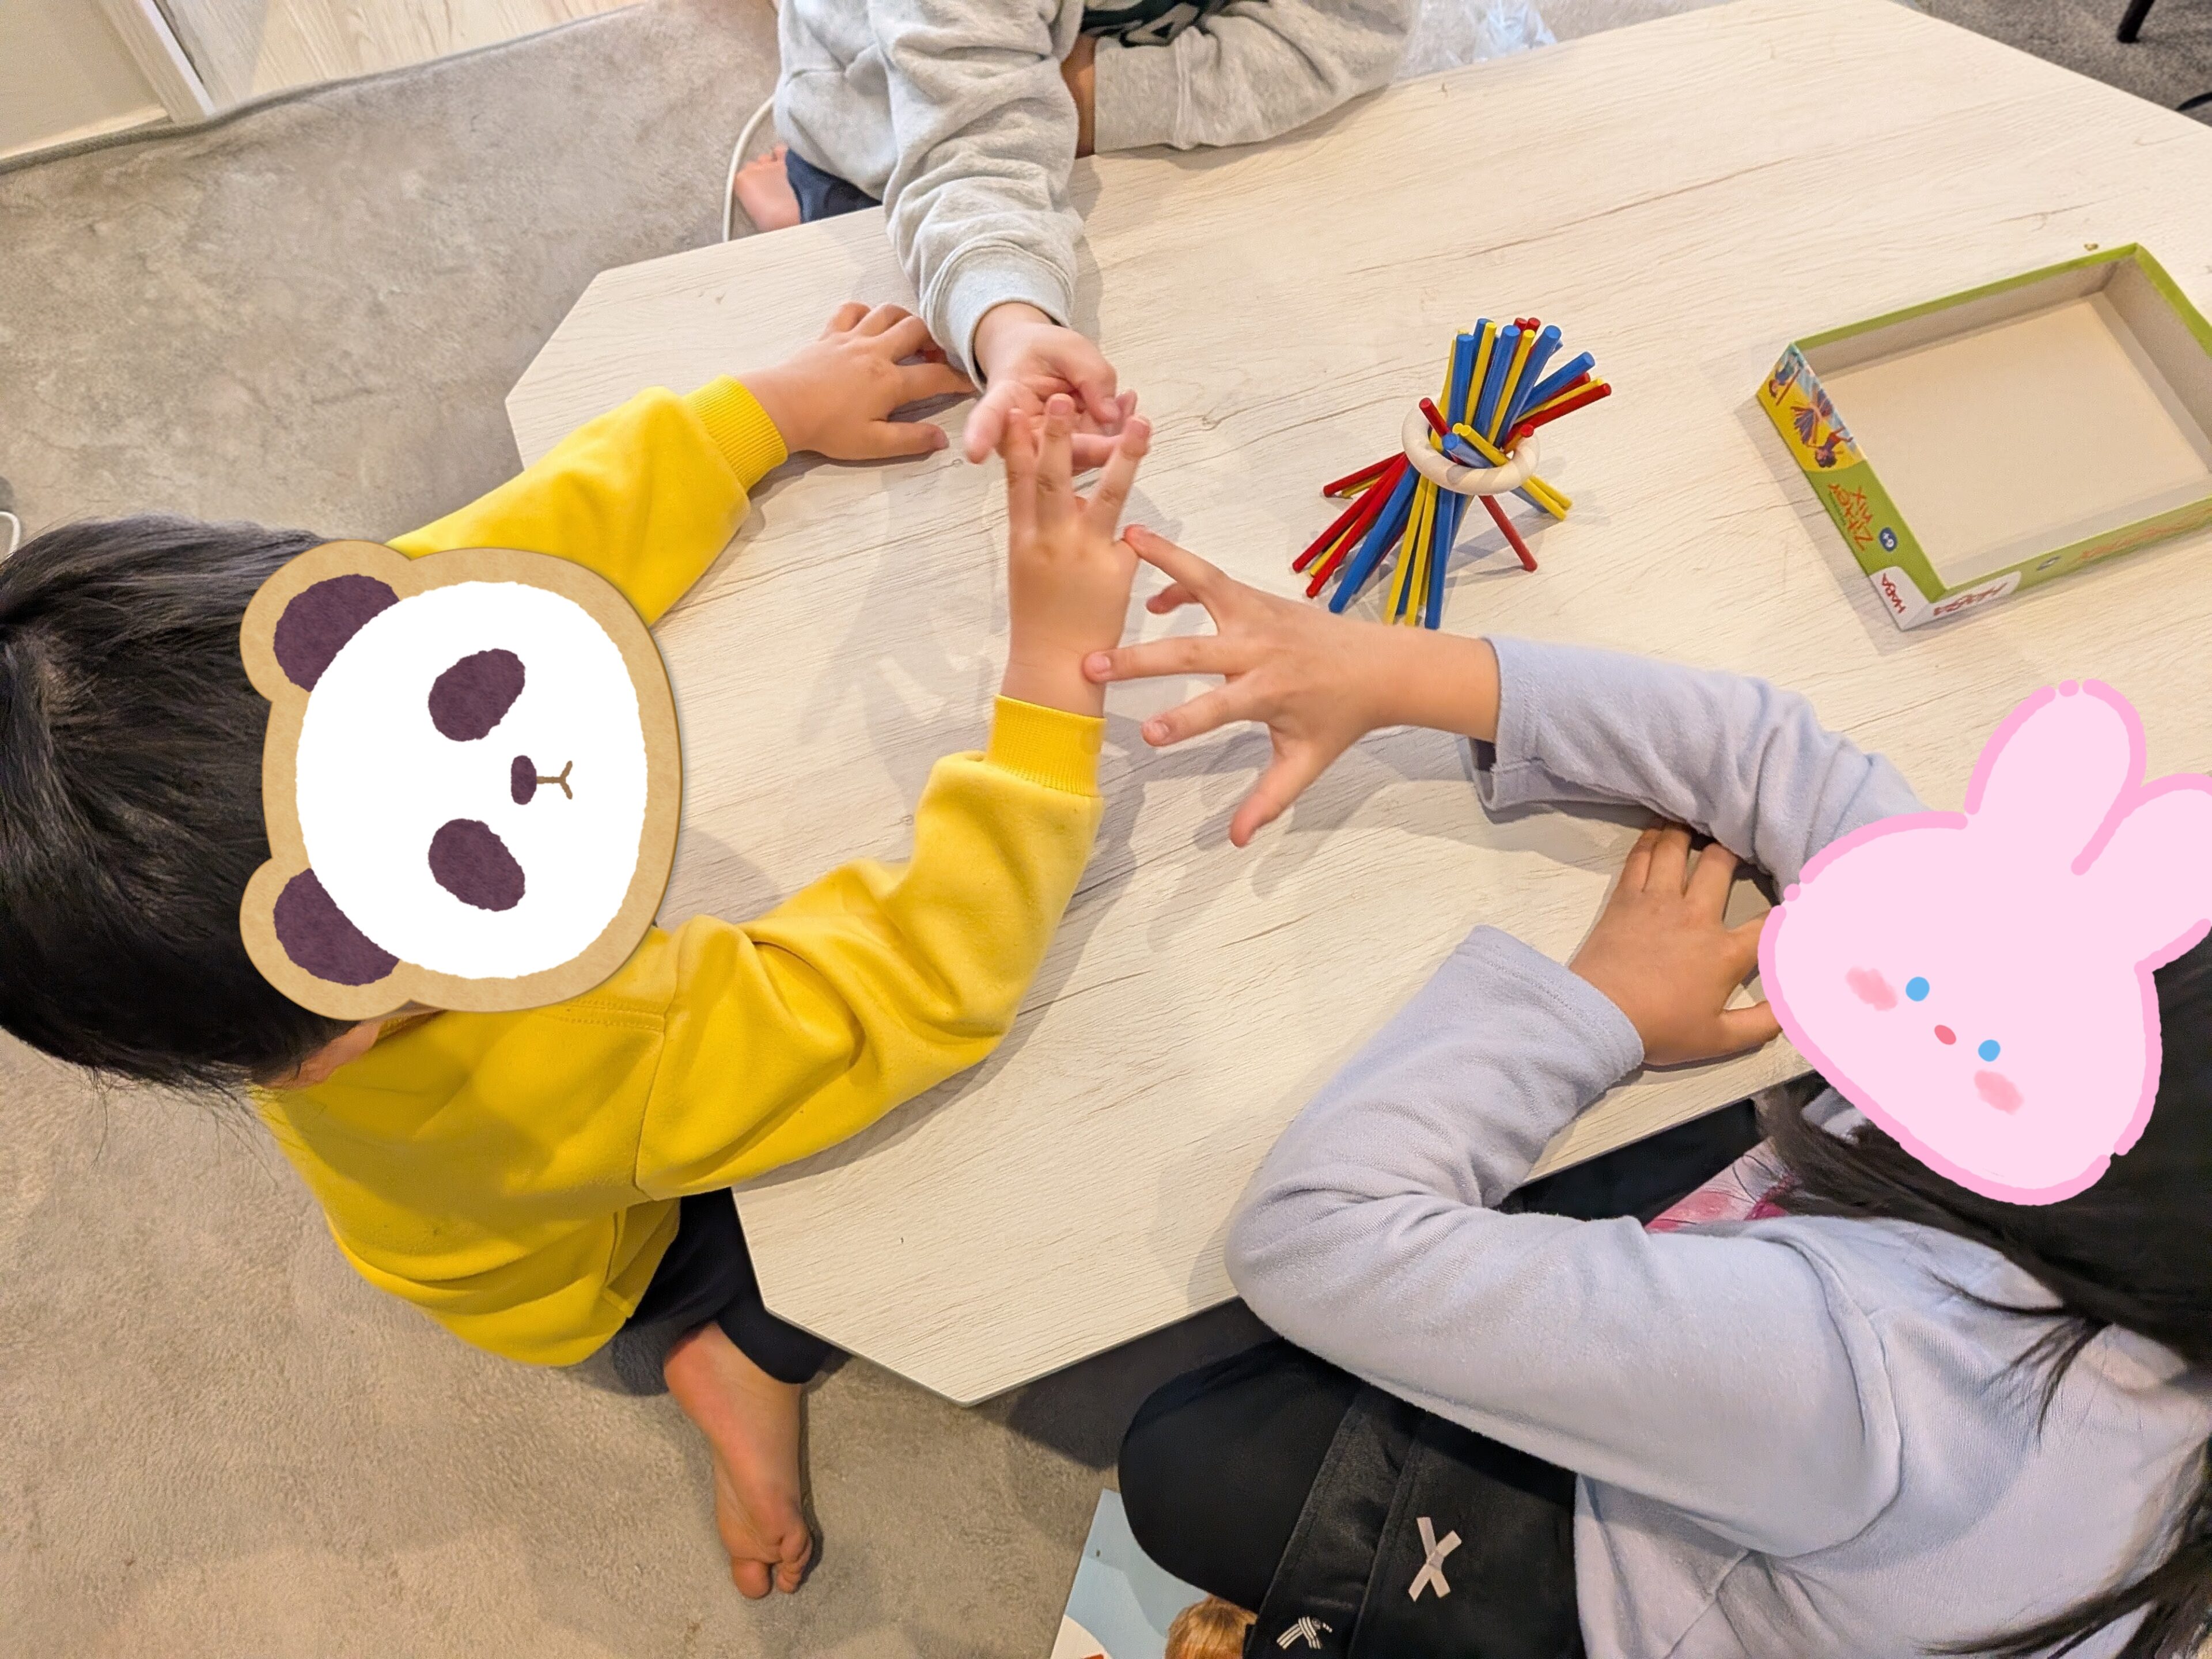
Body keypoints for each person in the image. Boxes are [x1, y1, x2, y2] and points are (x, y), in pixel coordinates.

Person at [0, 304, 1154, 1600]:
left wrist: (764, 411)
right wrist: (1049, 690)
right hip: (609, 1268)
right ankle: (730, 1354)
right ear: (330, 1043)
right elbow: (901, 993)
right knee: (913, 1171)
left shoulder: (311, 692)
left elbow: (519, 547)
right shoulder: (560, 1053)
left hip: (468, 1219)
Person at [1093, 531, 2212, 1657]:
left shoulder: (1879, 1384)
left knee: (1185, 1457)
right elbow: (1783, 763)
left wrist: (1601, 1010)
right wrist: (1392, 672)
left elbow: (1314, 1235)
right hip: (1808, 1395)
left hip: (1621, 1585)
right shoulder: (2128, 1172)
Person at [730, 0, 1419, 466]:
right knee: (880, 241)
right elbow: (970, 148)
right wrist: (1009, 323)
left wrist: (1087, 99)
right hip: (891, 100)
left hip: (1033, 84)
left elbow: (1352, 32)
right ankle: (804, 182)